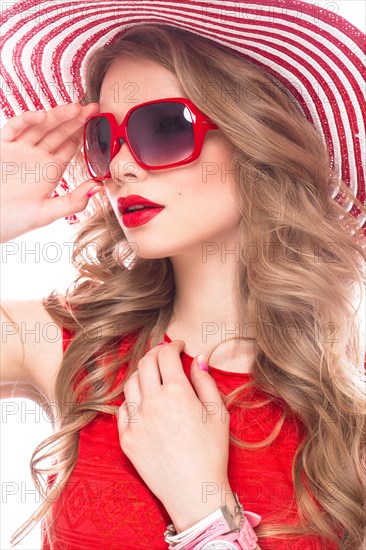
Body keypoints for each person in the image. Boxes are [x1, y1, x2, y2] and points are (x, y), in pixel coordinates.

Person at [0, 2, 365, 549]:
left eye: (163, 128)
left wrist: (203, 510)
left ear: (253, 142)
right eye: (104, 137)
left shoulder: (348, 430)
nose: (121, 166)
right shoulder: (69, 347)